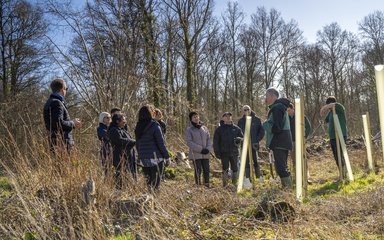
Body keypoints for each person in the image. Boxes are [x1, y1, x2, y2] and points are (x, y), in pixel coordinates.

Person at [135, 105, 170, 191]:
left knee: (149, 184)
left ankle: (149, 201)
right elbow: (161, 143)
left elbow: (137, 144)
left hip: (143, 158)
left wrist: (140, 156)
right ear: (150, 113)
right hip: (156, 158)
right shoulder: (154, 125)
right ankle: (155, 202)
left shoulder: (138, 127)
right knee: (156, 185)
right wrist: (167, 156)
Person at [263, 88, 293, 188]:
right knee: (282, 167)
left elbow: (277, 128)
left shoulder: (278, 107)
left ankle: (288, 190)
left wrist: (265, 124)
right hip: (283, 141)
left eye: (266, 96)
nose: (265, 99)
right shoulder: (279, 107)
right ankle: (288, 188)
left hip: (280, 141)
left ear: (273, 96)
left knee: (280, 168)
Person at [43, 78, 81, 154]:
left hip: (55, 143)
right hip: (62, 145)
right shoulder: (57, 103)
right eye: (66, 88)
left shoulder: (49, 102)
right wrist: (73, 123)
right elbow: (58, 123)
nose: (66, 91)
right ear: (62, 89)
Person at [213, 112, 243, 187]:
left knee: (235, 168)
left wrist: (240, 139)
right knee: (225, 168)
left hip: (234, 152)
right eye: (226, 116)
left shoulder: (236, 128)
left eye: (229, 116)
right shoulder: (219, 130)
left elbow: (243, 138)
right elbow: (215, 142)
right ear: (223, 118)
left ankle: (234, 184)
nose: (228, 117)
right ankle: (225, 185)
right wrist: (217, 152)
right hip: (224, 152)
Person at [320, 96, 347, 175]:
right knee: (336, 156)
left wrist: (323, 108)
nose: (328, 108)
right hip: (332, 137)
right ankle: (341, 172)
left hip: (340, 135)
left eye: (328, 106)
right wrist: (323, 121)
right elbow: (326, 120)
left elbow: (334, 104)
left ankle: (344, 173)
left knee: (340, 155)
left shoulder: (339, 108)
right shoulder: (331, 112)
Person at [238, 105, 265, 184]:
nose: (246, 111)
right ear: (243, 111)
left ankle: (258, 177)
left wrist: (256, 139)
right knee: (246, 161)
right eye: (244, 109)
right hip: (245, 144)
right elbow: (239, 132)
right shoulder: (241, 121)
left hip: (254, 144)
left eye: (248, 109)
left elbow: (262, 131)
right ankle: (247, 178)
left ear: (250, 110)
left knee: (256, 160)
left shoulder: (257, 119)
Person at [108, 113, 136, 189]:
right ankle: (120, 192)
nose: (125, 121)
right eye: (123, 119)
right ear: (117, 121)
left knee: (128, 176)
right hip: (120, 158)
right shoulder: (113, 130)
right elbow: (119, 141)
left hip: (127, 157)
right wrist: (133, 141)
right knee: (121, 177)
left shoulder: (122, 129)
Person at [185, 111, 213, 187]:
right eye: (194, 117)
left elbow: (209, 139)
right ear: (191, 119)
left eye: (197, 116)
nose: (196, 118)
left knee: (206, 170)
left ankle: (207, 185)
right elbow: (189, 142)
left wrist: (208, 149)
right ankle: (198, 186)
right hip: (196, 154)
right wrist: (201, 149)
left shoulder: (204, 128)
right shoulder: (189, 129)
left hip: (206, 153)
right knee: (198, 170)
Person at [287, 102, 312, 167]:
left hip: (299, 140)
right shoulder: (286, 118)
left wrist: (304, 136)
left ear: (293, 109)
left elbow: (308, 127)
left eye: (289, 110)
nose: (288, 112)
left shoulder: (300, 115)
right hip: (291, 141)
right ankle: (296, 172)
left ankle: (305, 172)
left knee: (302, 157)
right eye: (287, 111)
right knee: (293, 158)